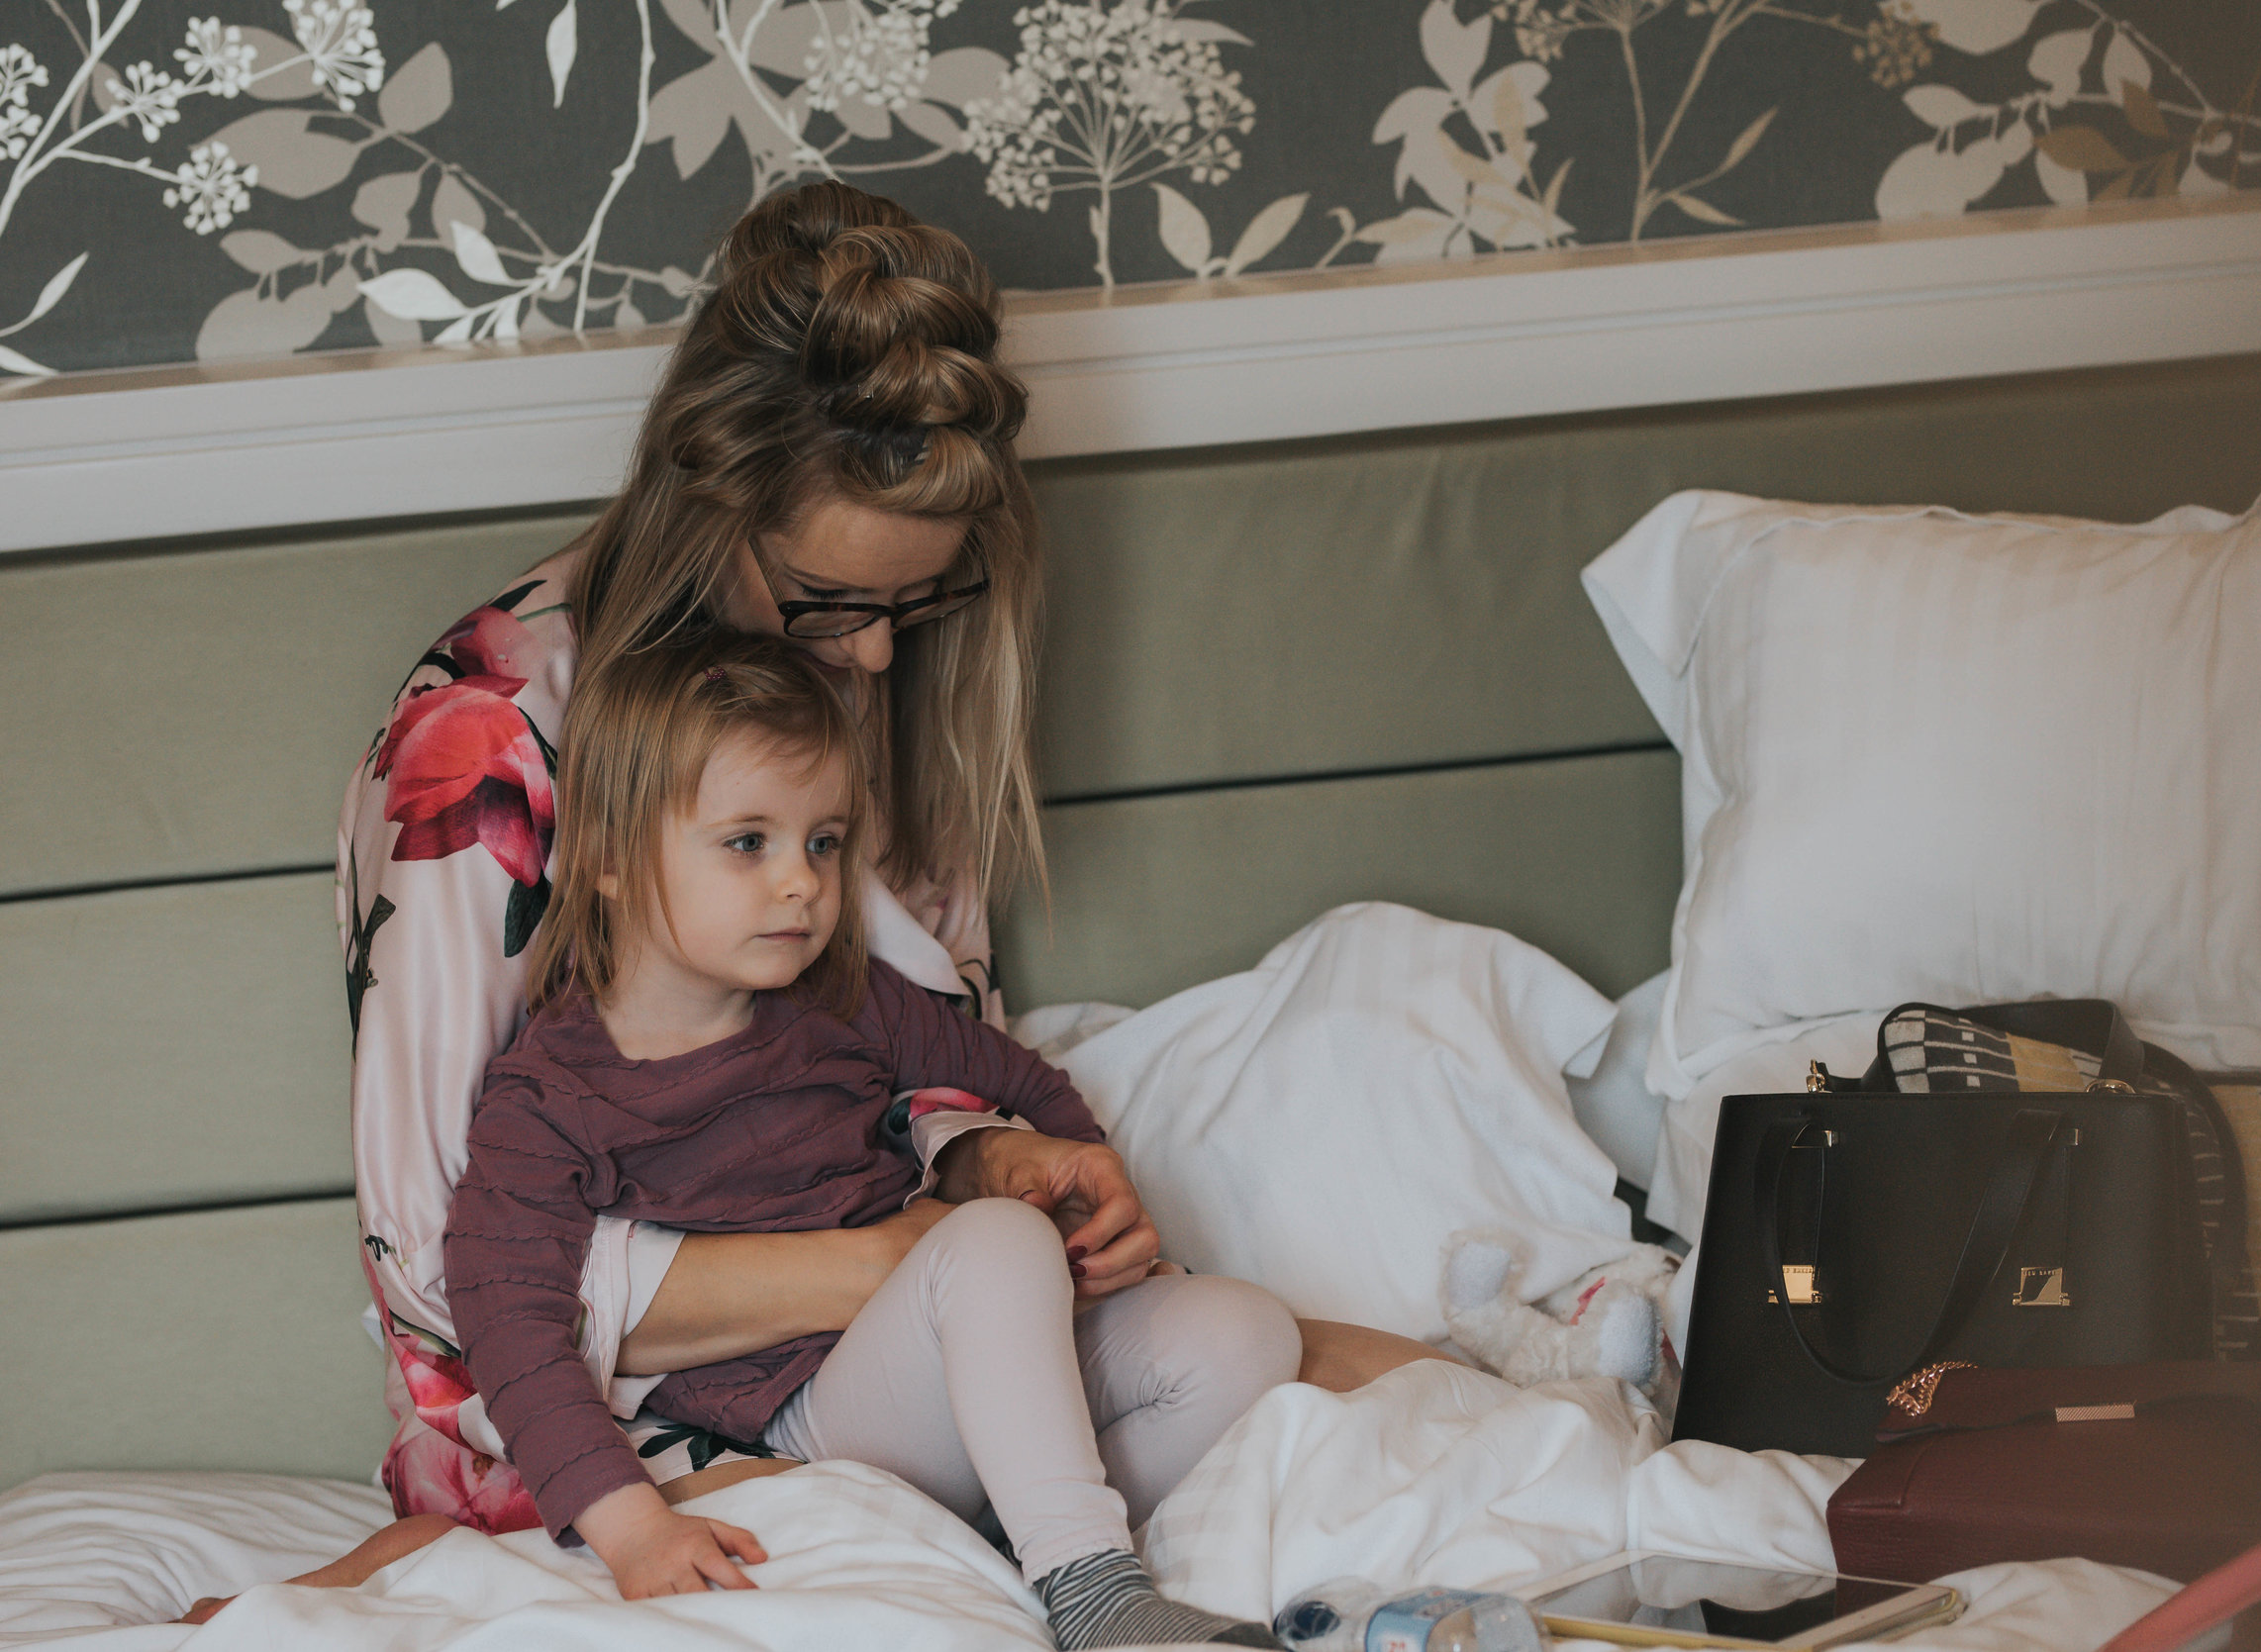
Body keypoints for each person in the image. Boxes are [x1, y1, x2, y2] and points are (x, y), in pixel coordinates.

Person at [339, 178, 1437, 1538]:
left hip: (923, 1346)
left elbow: (889, 1062)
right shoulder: (490, 739)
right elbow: (448, 1271)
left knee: (1356, 1371)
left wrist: (994, 1165)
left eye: (917, 604)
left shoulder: (864, 697)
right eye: (832, 601)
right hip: (618, 1449)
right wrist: (885, 1263)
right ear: (704, 505)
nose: (871, 656)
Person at [454, 632, 1293, 1646]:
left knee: (1245, 1336)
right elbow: (509, 1330)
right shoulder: (549, 1097)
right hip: (807, 1426)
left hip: (948, 1392)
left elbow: (1023, 1079)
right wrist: (633, 1529)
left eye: (824, 841)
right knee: (991, 1240)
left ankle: (1022, 1546)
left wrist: (1088, 1166)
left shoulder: (844, 1001)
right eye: (747, 842)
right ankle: (1097, 1592)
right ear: (610, 863)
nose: (804, 883)